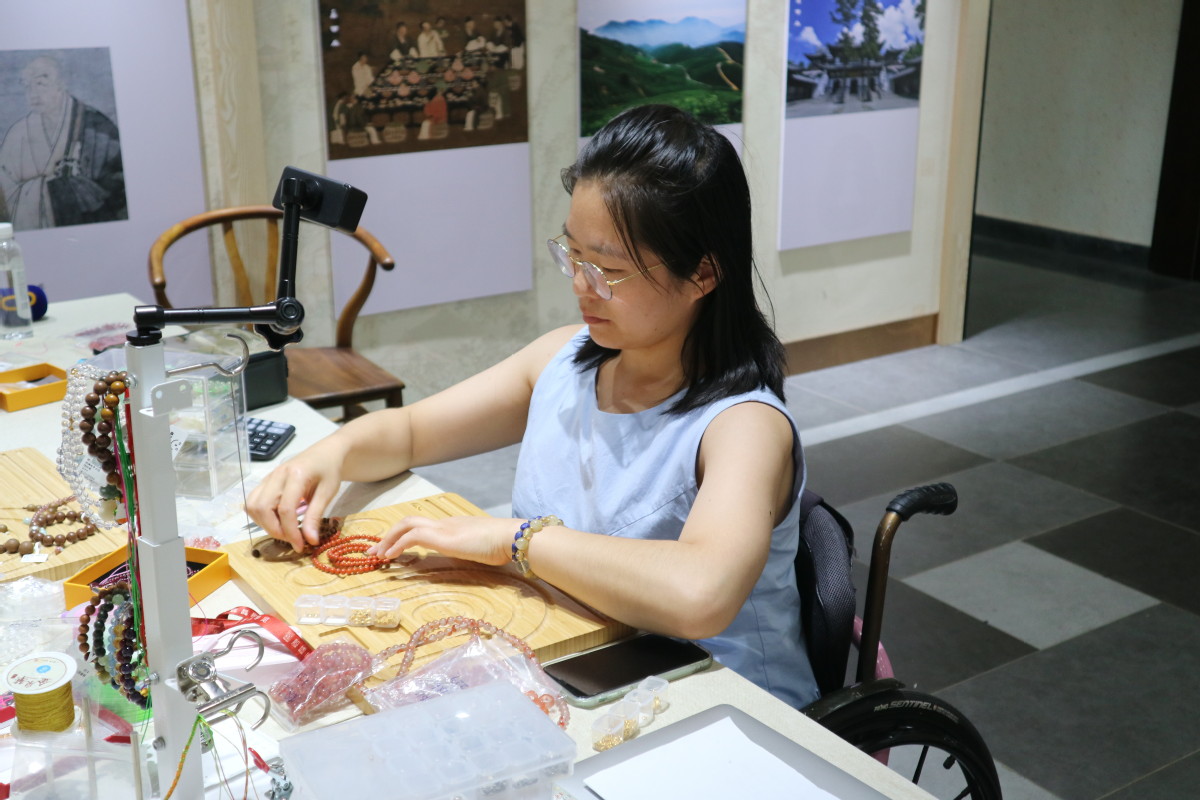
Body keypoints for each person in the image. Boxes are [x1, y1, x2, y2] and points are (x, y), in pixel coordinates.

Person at [246, 104, 818, 709]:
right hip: (584, 664)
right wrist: (325, 456)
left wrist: (515, 542)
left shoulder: (743, 426)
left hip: (720, 706)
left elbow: (701, 592)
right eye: (573, 255)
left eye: (610, 271)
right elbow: (411, 432)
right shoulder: (563, 362)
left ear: (703, 274)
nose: (580, 284)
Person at [0, 55, 126, 230]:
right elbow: (5, 193)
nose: (33, 94)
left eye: (41, 84)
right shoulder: (18, 134)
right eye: (27, 86)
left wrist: (72, 186)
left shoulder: (96, 127)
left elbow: (118, 189)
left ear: (62, 85)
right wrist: (53, 186)